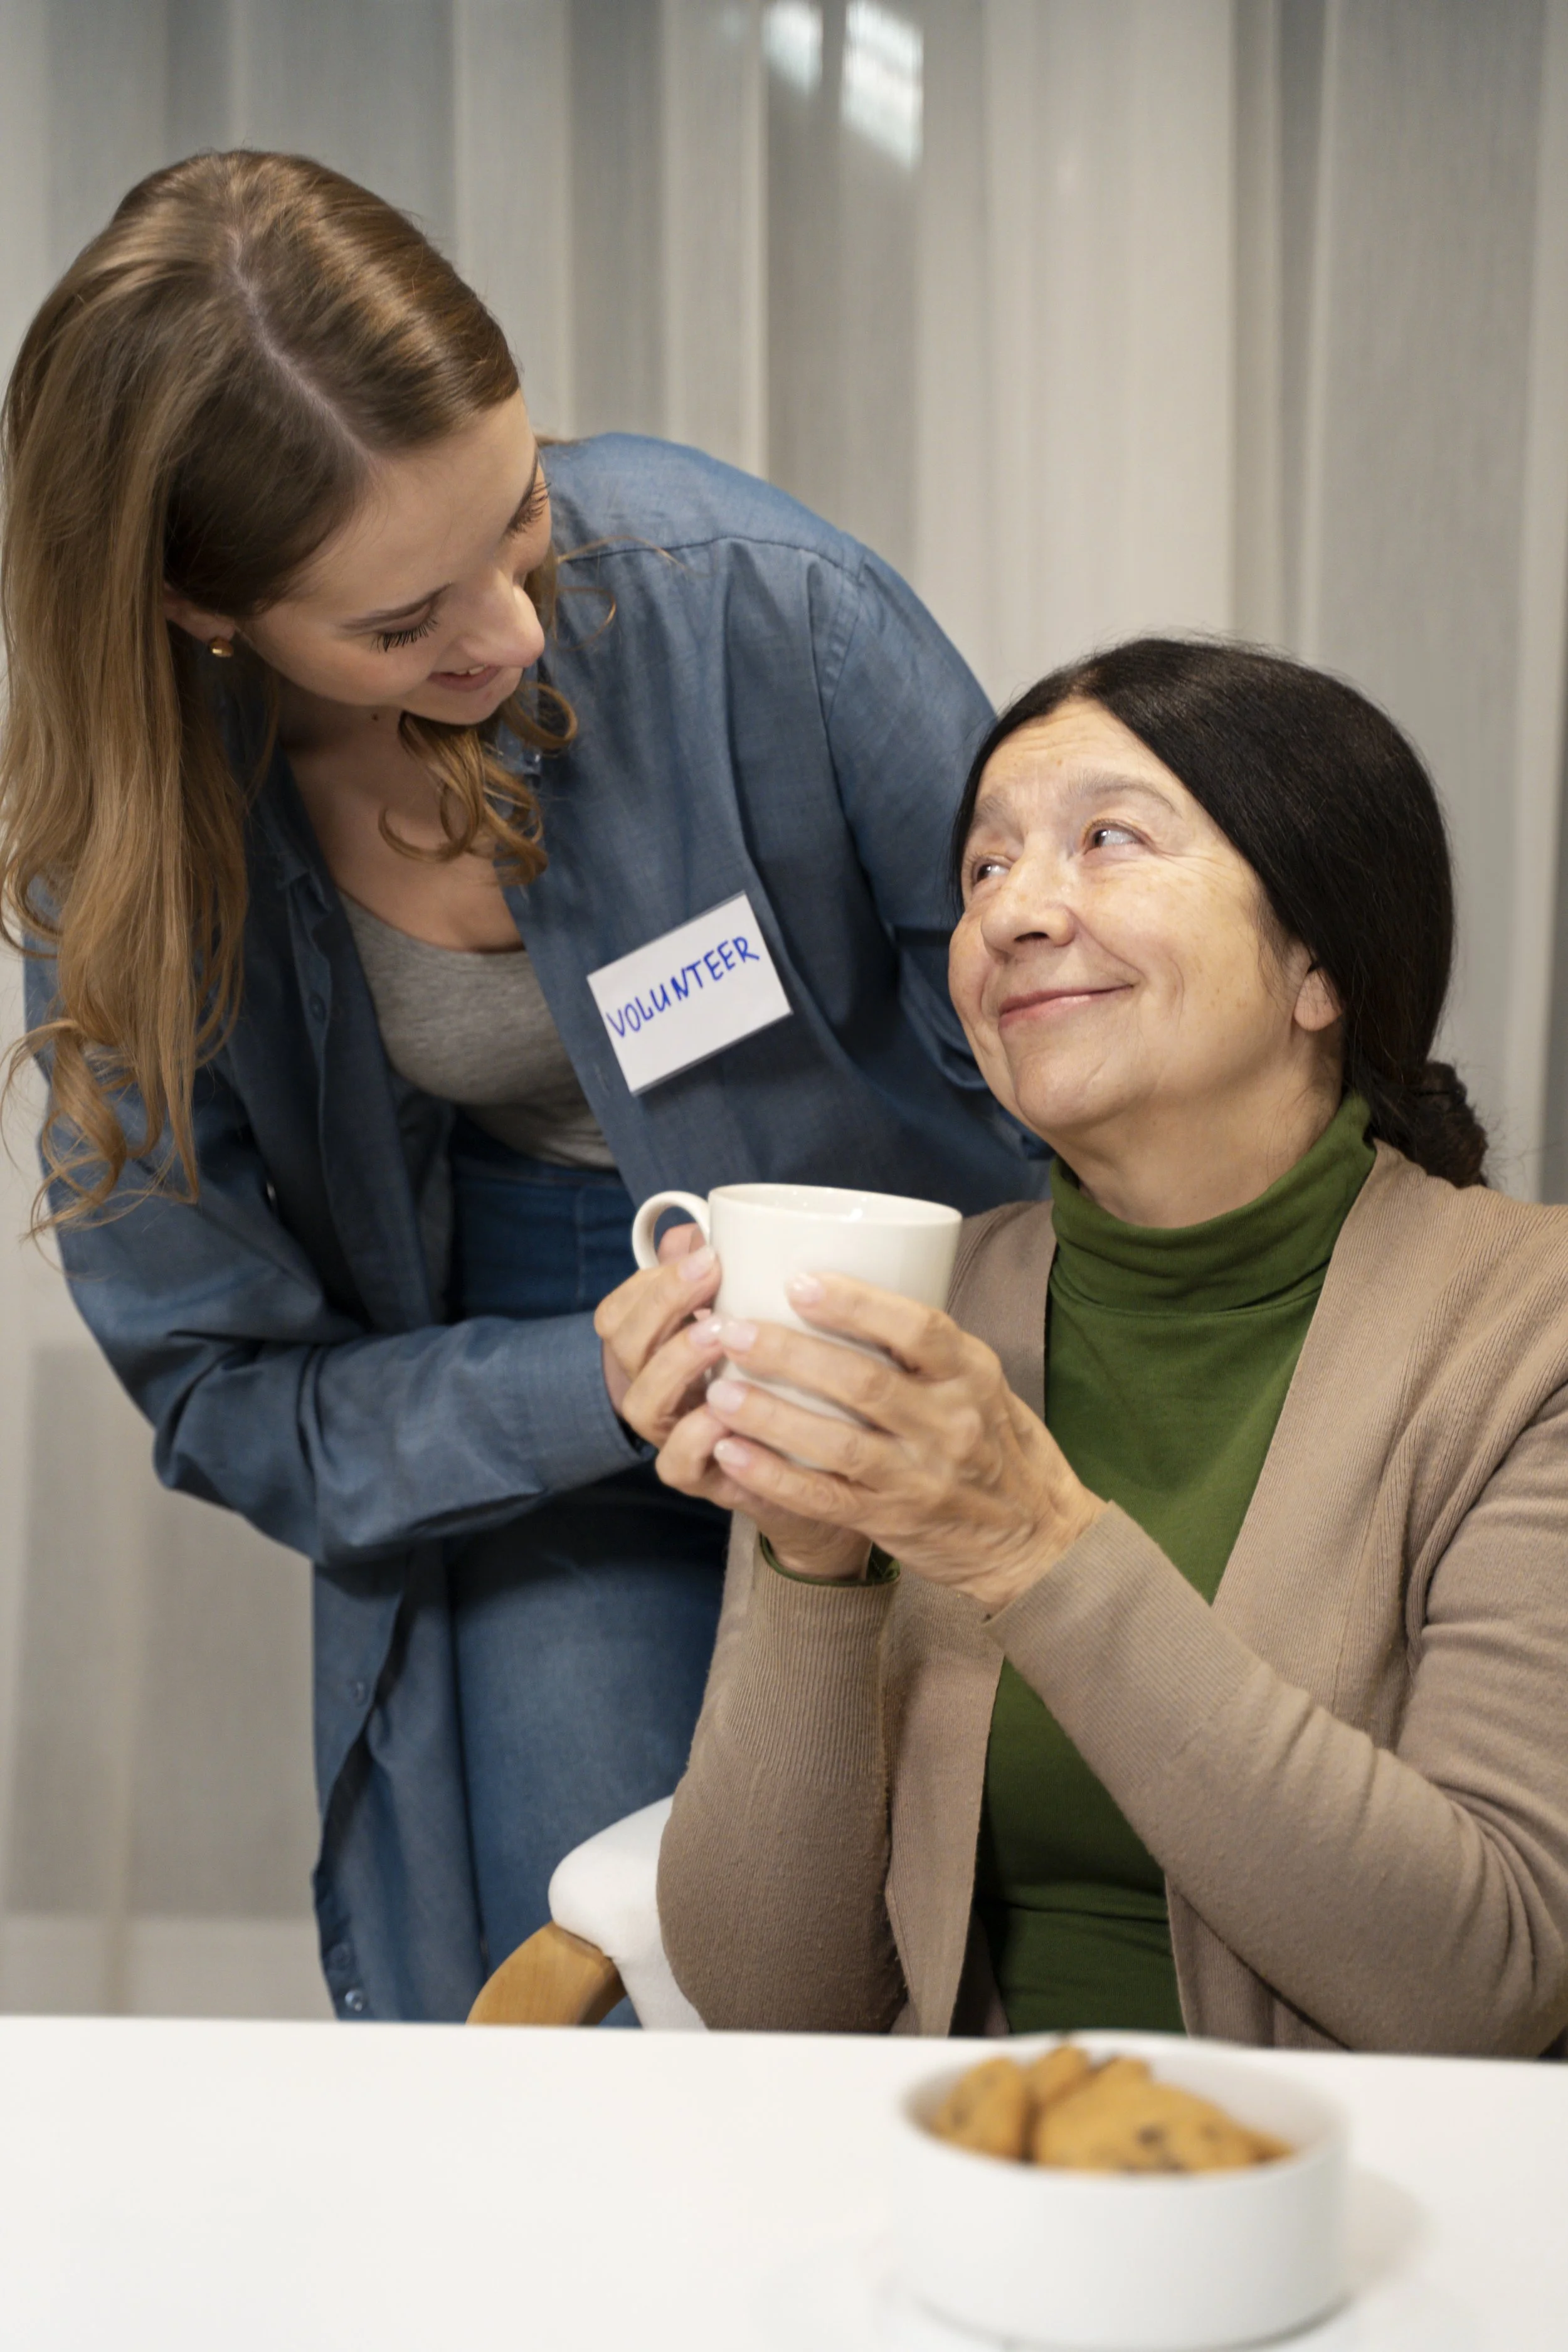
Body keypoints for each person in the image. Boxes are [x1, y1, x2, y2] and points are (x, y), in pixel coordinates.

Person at [0, 151, 1044, 2023]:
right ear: (193, 608)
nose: (512, 633)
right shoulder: (128, 864)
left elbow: (1061, 1031)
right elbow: (233, 1394)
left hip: (944, 1335)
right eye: (403, 626)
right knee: (629, 1987)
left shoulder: (750, 601)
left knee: (993, 1934)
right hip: (530, 1409)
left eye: (523, 518)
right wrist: (584, 1380)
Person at [605, 637, 1568, 2055]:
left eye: (1107, 841)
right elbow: (771, 2009)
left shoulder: (1523, 1333)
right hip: (961, 2175)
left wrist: (1028, 1546)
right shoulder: (928, 1311)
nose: (1013, 916)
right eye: (982, 871)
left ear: (1319, 965)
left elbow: (1481, 1990)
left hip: (1350, 2205)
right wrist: (811, 1556)